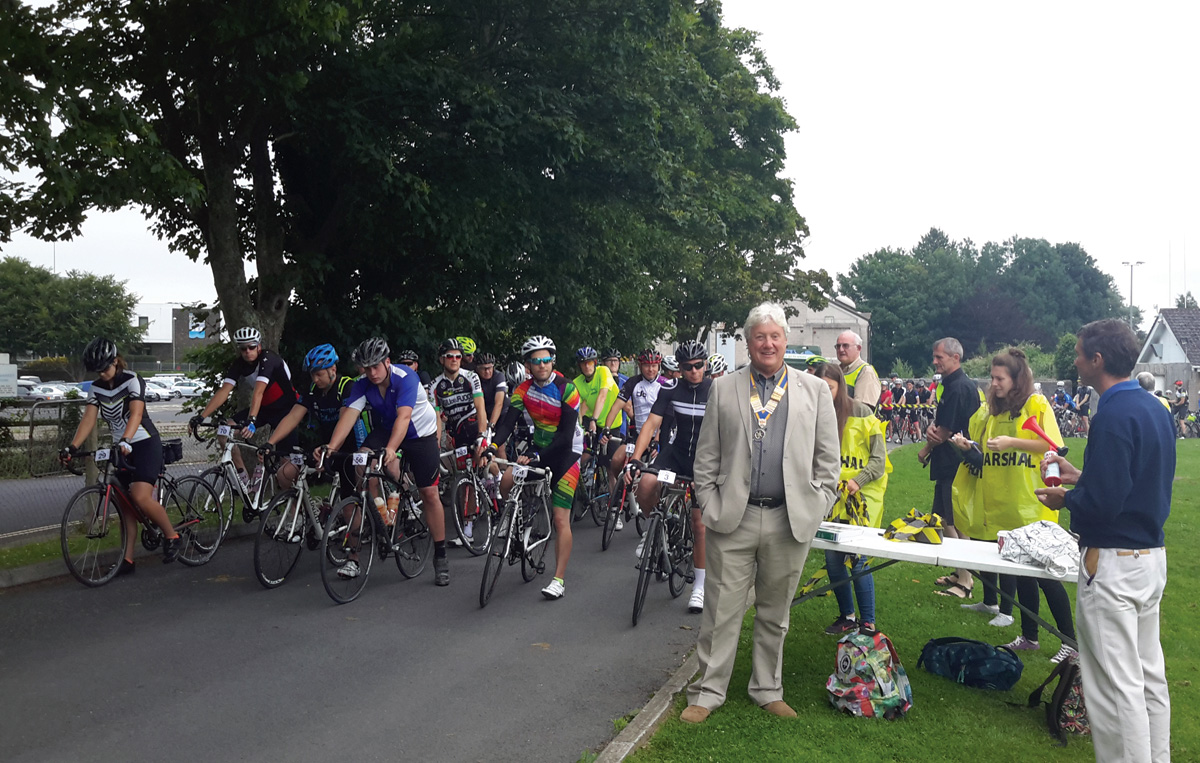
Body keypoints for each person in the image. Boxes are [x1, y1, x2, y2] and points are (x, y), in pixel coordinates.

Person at [681, 302, 840, 724]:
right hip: (734, 516)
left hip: (790, 519)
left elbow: (829, 463)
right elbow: (706, 458)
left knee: (775, 611)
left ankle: (767, 689)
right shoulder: (724, 388)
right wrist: (709, 502)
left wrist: (817, 504)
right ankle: (708, 691)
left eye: (775, 336)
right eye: (759, 337)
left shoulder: (814, 390)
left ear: (785, 340)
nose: (768, 343)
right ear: (748, 343)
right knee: (721, 609)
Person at [1036, 319, 1174, 763]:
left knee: (1116, 688)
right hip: (1150, 556)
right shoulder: (1153, 407)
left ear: (1097, 360)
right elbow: (1134, 481)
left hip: (1113, 562)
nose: (1075, 361)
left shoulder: (1112, 413)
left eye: (1079, 354)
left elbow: (1102, 504)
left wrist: (1066, 496)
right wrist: (1083, 478)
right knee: (1149, 678)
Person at [951, 348, 1076, 663]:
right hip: (1003, 504)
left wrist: (1013, 442)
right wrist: (968, 446)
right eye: (992, 378)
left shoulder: (1035, 403)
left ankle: (1069, 641)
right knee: (1021, 574)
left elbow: (1050, 444)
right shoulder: (994, 410)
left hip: (1032, 503)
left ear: (1017, 378)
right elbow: (984, 449)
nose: (994, 384)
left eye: (1000, 378)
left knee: (1047, 576)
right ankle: (1030, 636)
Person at [319, 338, 450, 586]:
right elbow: (349, 416)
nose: (372, 373)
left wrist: (391, 449)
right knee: (361, 462)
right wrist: (330, 447)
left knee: (430, 492)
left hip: (419, 433)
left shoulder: (406, 378)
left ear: (387, 362)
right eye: (366, 368)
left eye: (376, 367)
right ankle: (377, 517)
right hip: (387, 429)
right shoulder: (362, 384)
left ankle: (441, 556)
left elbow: (405, 417)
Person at [61, 338, 182, 570]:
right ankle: (127, 560)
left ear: (116, 361)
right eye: (98, 370)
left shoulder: (132, 380)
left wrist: (127, 438)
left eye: (105, 368)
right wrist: (72, 446)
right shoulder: (96, 388)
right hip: (121, 447)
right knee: (126, 505)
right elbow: (88, 419)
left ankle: (172, 536)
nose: (103, 373)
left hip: (144, 442)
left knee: (139, 496)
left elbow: (136, 413)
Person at [490, 335, 584, 600]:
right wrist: (491, 445)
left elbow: (565, 437)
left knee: (560, 518)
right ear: (528, 365)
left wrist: (538, 458)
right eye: (535, 361)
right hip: (540, 448)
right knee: (507, 479)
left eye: (546, 360)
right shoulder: (522, 390)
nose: (541, 365)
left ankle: (558, 579)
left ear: (553, 361)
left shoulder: (567, 388)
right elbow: (508, 423)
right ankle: (515, 519)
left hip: (567, 453)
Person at [624, 340, 712, 613]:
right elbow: (651, 423)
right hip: (675, 454)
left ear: (705, 365)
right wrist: (636, 459)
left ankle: (699, 585)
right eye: (688, 367)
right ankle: (655, 526)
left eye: (699, 365)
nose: (694, 371)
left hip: (704, 459)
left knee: (699, 525)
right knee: (646, 483)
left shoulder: (717, 392)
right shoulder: (670, 389)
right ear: (680, 369)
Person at [810, 363, 889, 635]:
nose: (824, 393)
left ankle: (868, 621)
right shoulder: (816, 414)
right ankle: (847, 615)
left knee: (857, 559)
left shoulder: (863, 413)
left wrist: (859, 481)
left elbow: (880, 460)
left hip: (861, 499)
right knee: (833, 559)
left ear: (840, 386)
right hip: (831, 497)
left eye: (829, 388)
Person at [189, 326, 298, 495]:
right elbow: (224, 391)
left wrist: (251, 420)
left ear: (259, 346)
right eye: (243, 348)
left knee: (286, 471)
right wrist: (201, 416)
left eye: (251, 347)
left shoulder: (269, 359)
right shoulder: (239, 364)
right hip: (264, 409)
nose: (247, 351)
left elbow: (259, 392)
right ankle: (244, 481)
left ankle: (295, 513)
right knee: (224, 432)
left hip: (287, 411)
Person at [919, 337, 981, 598]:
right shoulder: (953, 385)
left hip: (954, 463)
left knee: (956, 522)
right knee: (944, 518)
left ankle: (966, 581)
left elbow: (946, 430)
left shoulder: (958, 387)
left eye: (939, 357)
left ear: (956, 358)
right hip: (949, 461)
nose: (935, 362)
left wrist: (926, 447)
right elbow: (942, 424)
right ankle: (959, 571)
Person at [264, 343, 363, 493]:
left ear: (333, 370)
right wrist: (270, 443)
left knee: (349, 508)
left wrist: (330, 449)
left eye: (319, 374)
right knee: (284, 473)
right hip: (322, 447)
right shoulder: (312, 390)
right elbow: (292, 417)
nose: (315, 379)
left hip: (347, 449)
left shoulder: (346, 387)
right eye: (312, 375)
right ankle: (299, 514)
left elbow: (344, 422)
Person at [603, 349, 666, 530]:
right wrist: (607, 428)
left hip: (658, 436)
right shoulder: (633, 383)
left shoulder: (665, 384)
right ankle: (623, 491)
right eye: (647, 366)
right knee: (616, 460)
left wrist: (657, 438)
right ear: (640, 366)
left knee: (653, 477)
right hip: (637, 435)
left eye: (654, 366)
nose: (651, 370)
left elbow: (666, 416)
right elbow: (617, 406)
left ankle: (656, 509)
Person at [572, 346, 623, 474]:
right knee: (583, 455)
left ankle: (613, 494)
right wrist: (581, 429)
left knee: (611, 467)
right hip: (592, 422)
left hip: (611, 423)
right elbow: (580, 409)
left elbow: (602, 396)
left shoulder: (603, 371)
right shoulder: (576, 383)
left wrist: (593, 420)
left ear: (595, 363)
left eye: (589, 363)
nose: (587, 366)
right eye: (583, 364)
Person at [834, 330, 881, 409]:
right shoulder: (836, 371)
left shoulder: (866, 372)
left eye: (845, 346)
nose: (841, 349)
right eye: (838, 346)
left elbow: (862, 410)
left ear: (858, 348)